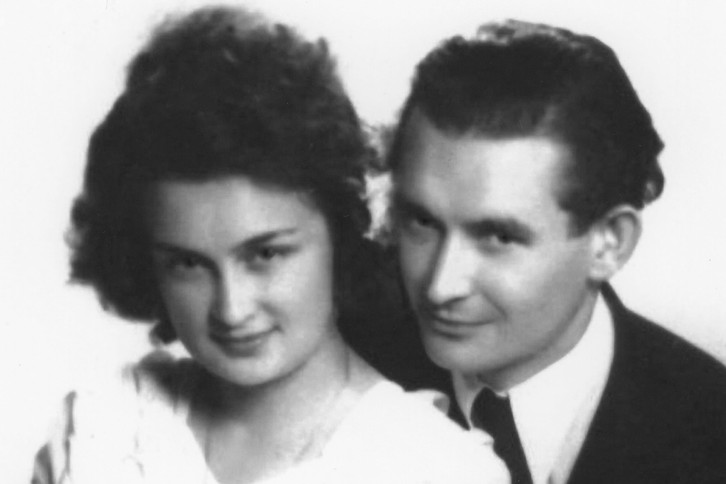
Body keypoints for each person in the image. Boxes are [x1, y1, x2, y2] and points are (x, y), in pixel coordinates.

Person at [31, 7, 509, 484]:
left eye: (265, 254)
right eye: (188, 264)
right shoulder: (99, 432)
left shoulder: (440, 470)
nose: (231, 309)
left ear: (341, 234)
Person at [385, 19, 726, 484]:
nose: (440, 287)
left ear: (610, 243)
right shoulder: (338, 379)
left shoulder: (713, 430)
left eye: (498, 237)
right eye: (422, 222)